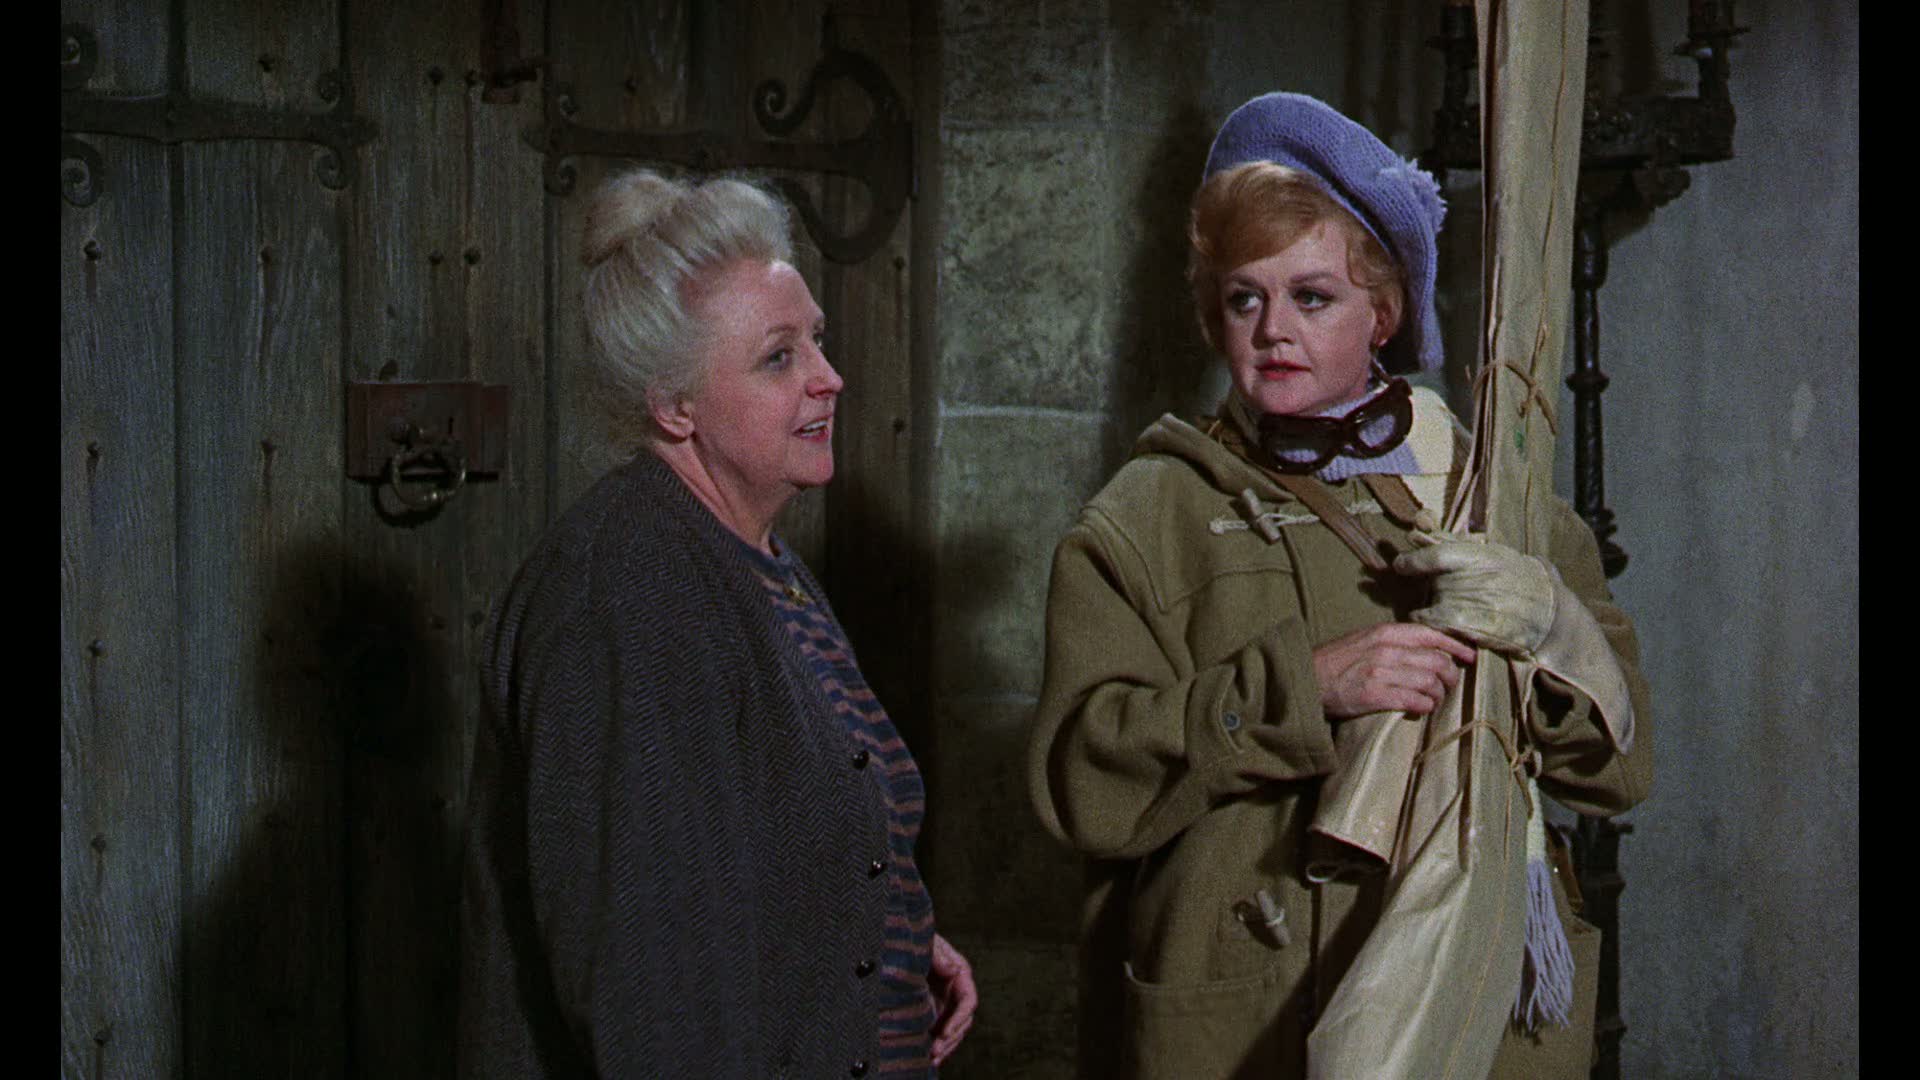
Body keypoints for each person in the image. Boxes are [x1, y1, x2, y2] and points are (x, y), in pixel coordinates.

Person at [1027, 93, 1652, 1079]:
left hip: (1474, 1003)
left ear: (1384, 312)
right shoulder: (1146, 517)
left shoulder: (1491, 495)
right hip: (1254, 1017)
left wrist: (1550, 629)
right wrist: (1303, 688)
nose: (1273, 330)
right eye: (1244, 298)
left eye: (1312, 297)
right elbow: (1080, 790)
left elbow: (1620, 771)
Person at [457, 167, 976, 1078]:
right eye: (779, 358)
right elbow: (651, 992)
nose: (829, 378)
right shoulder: (628, 590)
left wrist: (887, 934)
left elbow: (757, 847)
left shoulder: (752, 558)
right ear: (673, 403)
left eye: (816, 341)